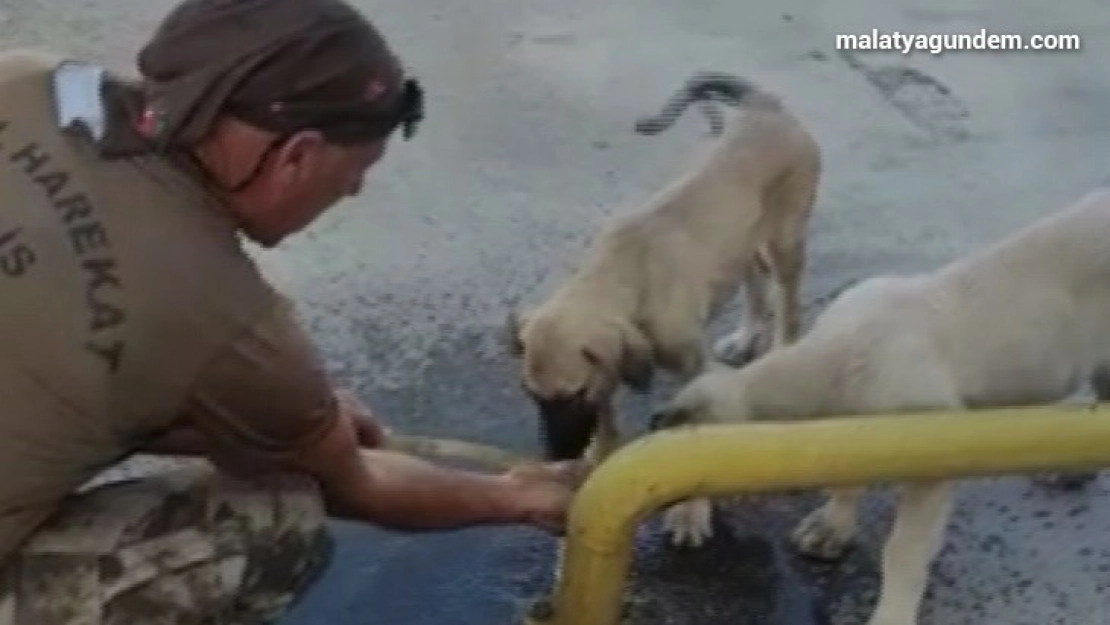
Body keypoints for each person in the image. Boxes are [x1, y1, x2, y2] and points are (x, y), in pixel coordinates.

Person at [0, 0, 583, 622]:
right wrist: (515, 497)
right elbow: (359, 484)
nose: (353, 191)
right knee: (278, 516)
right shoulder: (231, 323)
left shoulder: (25, 78)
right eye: (356, 170)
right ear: (295, 156)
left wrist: (252, 418)